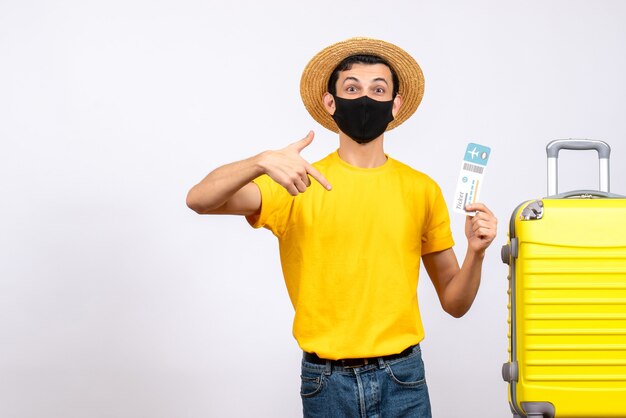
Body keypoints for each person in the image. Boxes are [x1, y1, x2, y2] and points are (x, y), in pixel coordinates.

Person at [186, 37, 497, 418]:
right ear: (330, 103)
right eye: (352, 88)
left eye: (378, 89)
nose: (365, 98)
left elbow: (455, 303)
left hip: (404, 379)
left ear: (395, 105)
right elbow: (199, 199)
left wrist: (476, 253)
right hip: (326, 383)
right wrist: (261, 161)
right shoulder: (296, 181)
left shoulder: (421, 189)